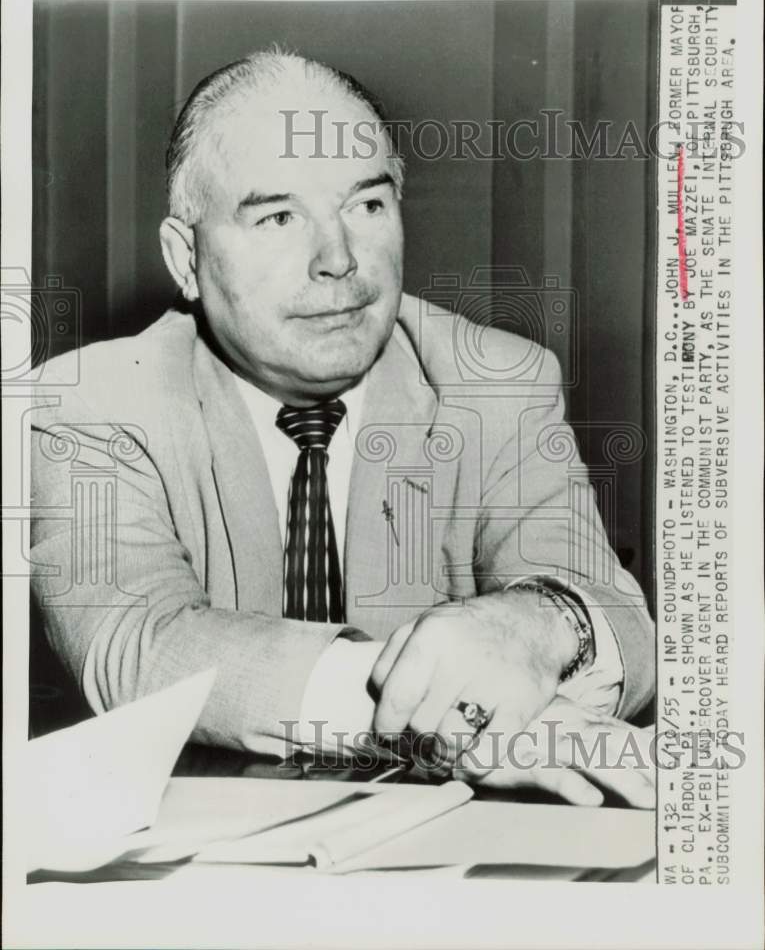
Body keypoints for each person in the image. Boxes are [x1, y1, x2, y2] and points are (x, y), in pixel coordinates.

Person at [31, 48, 655, 806]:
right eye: (277, 216)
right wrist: (456, 715)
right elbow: (138, 646)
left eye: (366, 205)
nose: (338, 260)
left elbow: (615, 616)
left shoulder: (499, 383)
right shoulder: (91, 404)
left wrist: (538, 626)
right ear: (185, 258)